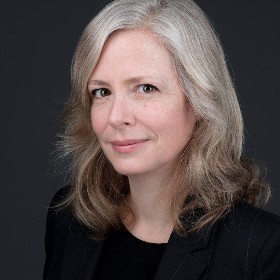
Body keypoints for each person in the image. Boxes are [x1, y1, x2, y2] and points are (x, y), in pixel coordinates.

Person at [44, 0, 280, 279]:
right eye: (102, 92)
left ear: (200, 101)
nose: (116, 117)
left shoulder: (261, 247)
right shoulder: (69, 217)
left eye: (146, 88)